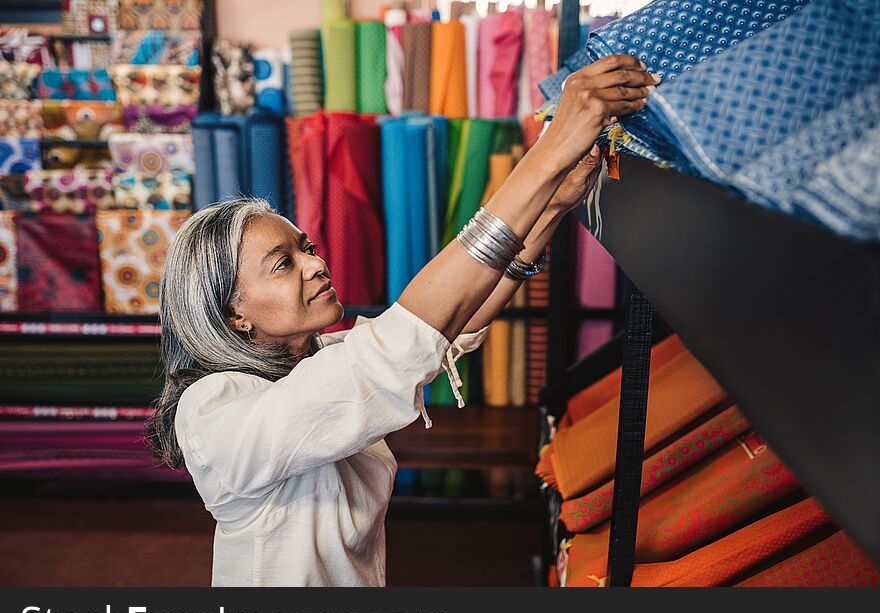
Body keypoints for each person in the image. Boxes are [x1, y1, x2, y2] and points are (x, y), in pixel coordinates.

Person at [145, 55, 659, 586]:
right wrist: (549, 153)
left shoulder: (317, 357)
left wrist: (551, 207)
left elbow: (449, 328)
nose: (318, 264)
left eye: (308, 248)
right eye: (284, 263)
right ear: (233, 312)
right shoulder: (211, 413)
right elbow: (400, 342)